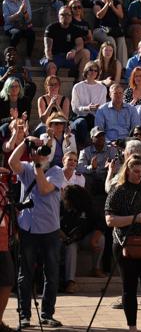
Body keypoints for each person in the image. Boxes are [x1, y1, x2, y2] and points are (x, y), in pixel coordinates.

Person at [8, 135, 65, 328]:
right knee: (25, 274)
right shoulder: (26, 168)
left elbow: (44, 189)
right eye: (41, 148)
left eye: (47, 148)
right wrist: (25, 143)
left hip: (50, 229)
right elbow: (11, 161)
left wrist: (39, 166)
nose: (43, 152)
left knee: (51, 273)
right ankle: (24, 315)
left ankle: (47, 314)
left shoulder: (57, 171)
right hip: (28, 227)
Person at [104, 158, 141, 332]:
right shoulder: (118, 190)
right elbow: (109, 220)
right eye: (135, 171)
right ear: (127, 171)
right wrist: (135, 219)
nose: (139, 175)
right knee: (129, 287)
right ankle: (132, 327)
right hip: (124, 244)